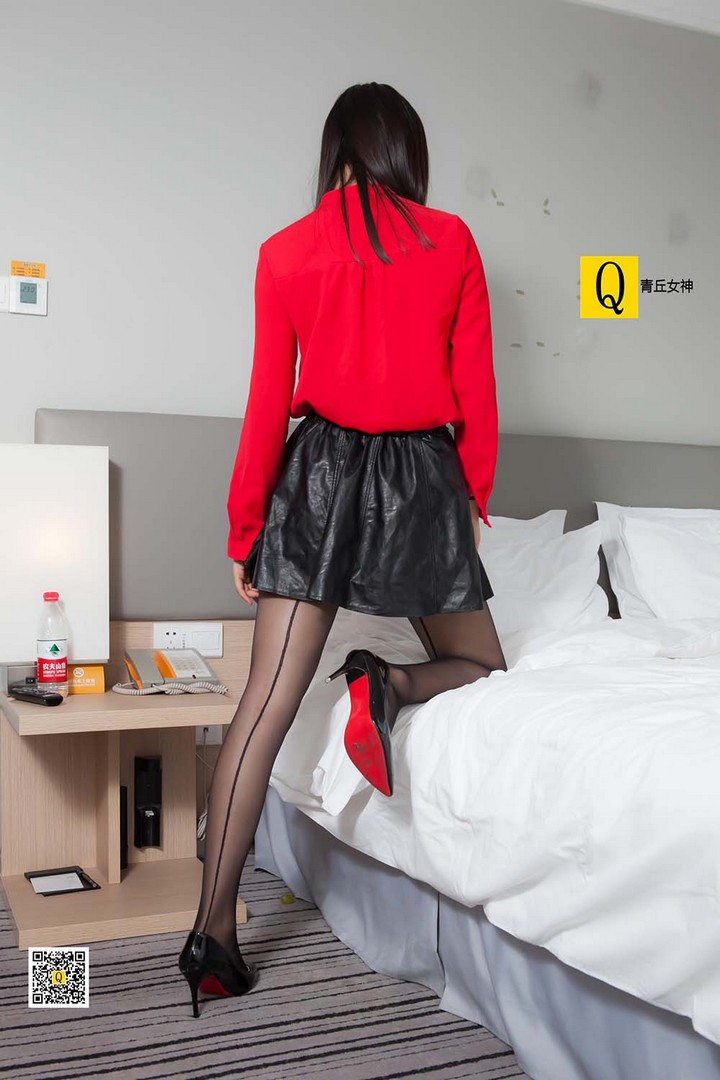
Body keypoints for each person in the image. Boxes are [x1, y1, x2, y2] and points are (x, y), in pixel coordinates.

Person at [178, 81, 507, 1018]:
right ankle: (389, 683)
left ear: (335, 152)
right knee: (483, 664)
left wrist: (247, 528)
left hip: (316, 477)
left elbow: (263, 405)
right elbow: (476, 393)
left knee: (262, 705)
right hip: (419, 480)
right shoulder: (453, 241)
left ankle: (210, 935)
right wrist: (471, 495)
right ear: (406, 152)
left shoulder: (285, 251)